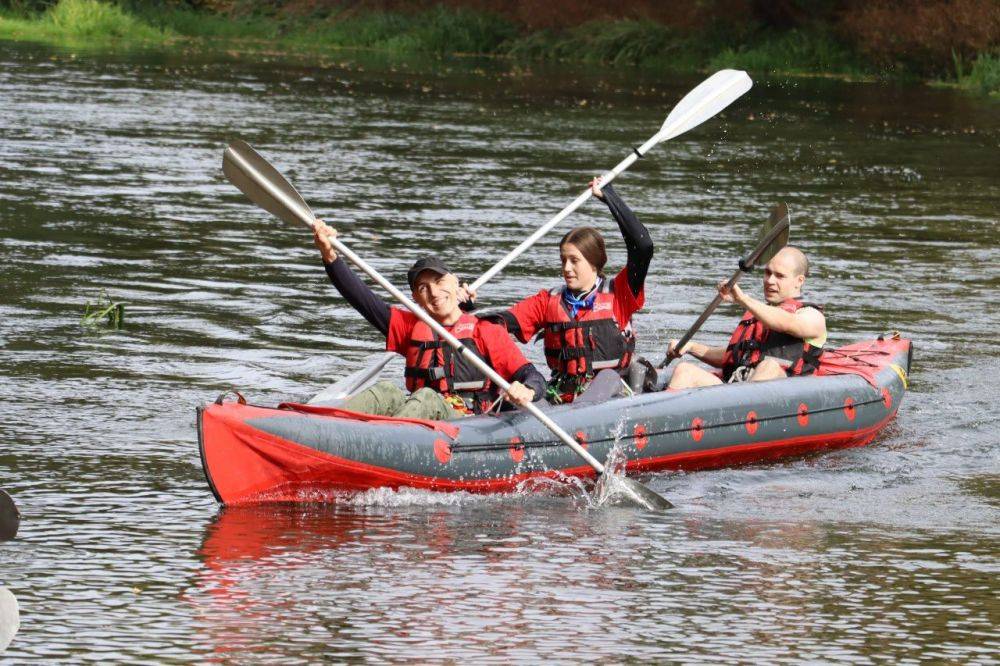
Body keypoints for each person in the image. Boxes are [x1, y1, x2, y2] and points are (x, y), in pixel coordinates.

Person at [314, 222, 547, 421]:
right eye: (423, 288)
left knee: (426, 397)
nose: (434, 292)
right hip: (421, 420)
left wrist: (526, 389)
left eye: (439, 281)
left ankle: (382, 443)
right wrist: (329, 255)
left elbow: (534, 377)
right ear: (416, 299)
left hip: (468, 422)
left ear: (456, 284)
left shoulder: (485, 331)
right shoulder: (410, 327)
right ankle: (324, 429)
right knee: (386, 390)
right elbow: (363, 299)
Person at [467, 180, 653, 404]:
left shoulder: (620, 293)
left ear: (594, 263)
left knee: (606, 377)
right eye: (563, 260)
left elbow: (643, 247)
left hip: (612, 393)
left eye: (574, 260)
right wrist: (465, 307)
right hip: (563, 394)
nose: (566, 268)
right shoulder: (548, 301)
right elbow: (497, 324)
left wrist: (609, 196)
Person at [666, 246, 826, 389]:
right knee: (684, 370)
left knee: (769, 366)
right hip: (738, 388)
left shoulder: (812, 316)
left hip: (783, 392)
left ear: (799, 281)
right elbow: (735, 357)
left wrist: (742, 299)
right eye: (768, 273)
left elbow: (787, 323)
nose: (770, 281)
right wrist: (692, 347)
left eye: (779, 276)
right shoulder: (761, 313)